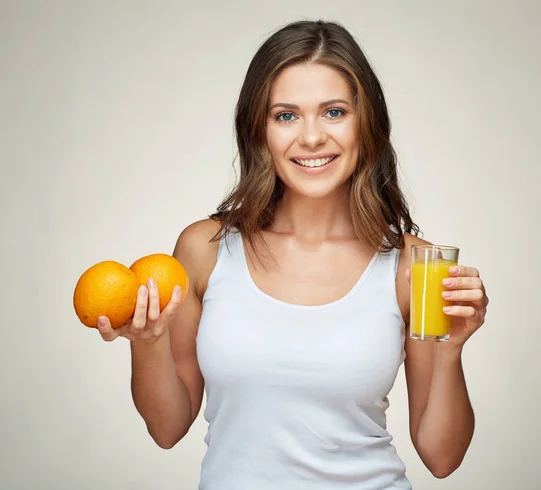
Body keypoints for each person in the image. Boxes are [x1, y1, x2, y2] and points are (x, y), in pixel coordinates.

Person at [96, 19, 489, 490]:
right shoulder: (204, 251)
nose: (311, 137)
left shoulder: (418, 268)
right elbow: (167, 428)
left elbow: (442, 458)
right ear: (259, 129)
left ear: (366, 122)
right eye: (286, 115)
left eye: (334, 112)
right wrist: (148, 342)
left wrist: (450, 353)